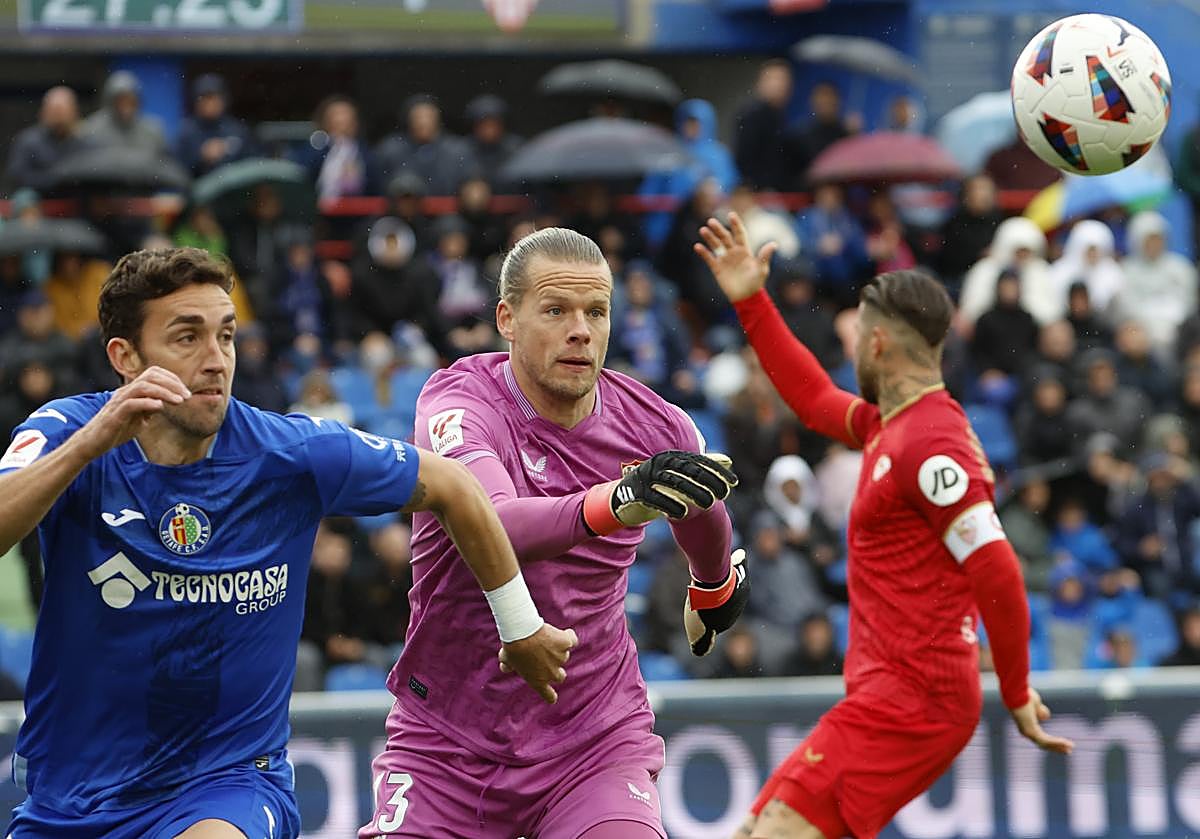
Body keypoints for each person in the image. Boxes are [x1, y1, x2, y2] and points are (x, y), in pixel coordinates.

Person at [0, 246, 575, 838]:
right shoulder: (67, 432)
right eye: (186, 338)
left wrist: (520, 624)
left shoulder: (289, 453)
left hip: (226, 786)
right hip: (69, 799)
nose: (215, 360)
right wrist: (88, 449)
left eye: (224, 336)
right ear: (125, 356)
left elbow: (455, 486)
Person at [360, 227, 747, 839]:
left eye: (596, 312)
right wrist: (616, 502)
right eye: (556, 310)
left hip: (592, 743)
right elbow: (493, 521)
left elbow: (702, 507)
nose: (580, 330)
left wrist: (714, 586)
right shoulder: (460, 403)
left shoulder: (654, 423)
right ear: (506, 318)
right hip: (448, 745)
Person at [695, 214, 1073, 839]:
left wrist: (1014, 688)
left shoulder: (932, 442)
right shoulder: (889, 427)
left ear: (877, 346)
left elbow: (996, 567)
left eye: (855, 337)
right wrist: (750, 300)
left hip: (916, 700)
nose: (848, 349)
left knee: (777, 833)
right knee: (754, 830)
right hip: (886, 695)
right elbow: (814, 399)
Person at [5, 86, 90, 192]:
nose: (59, 118)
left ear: (75, 113)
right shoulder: (27, 140)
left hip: (75, 195)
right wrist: (55, 179)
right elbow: (17, 175)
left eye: (63, 112)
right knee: (24, 197)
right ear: (43, 113)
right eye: (55, 112)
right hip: (37, 194)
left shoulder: (85, 140)